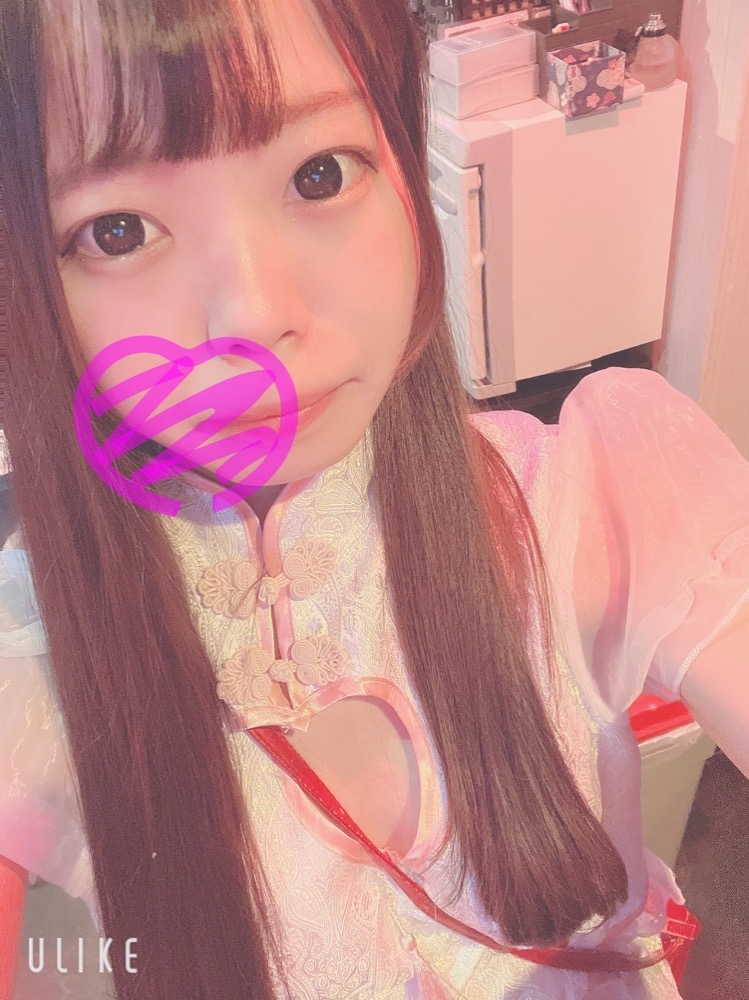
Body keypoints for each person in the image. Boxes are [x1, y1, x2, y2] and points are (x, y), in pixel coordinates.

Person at [0, 0, 747, 997]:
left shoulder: (581, 499)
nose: (254, 314)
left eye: (319, 173)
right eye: (118, 230)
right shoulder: (32, 648)